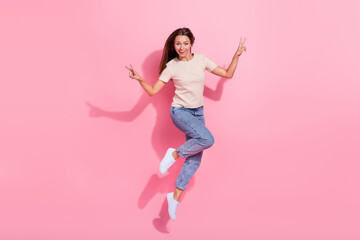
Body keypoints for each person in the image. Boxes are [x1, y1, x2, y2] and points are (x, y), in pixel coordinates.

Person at [126, 27, 246, 221]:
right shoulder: (172, 66)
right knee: (207, 139)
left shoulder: (201, 60)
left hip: (198, 113)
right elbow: (153, 91)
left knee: (194, 160)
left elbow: (227, 74)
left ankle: (174, 198)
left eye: (185, 43)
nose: (181, 47)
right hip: (180, 112)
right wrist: (140, 79)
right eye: (178, 44)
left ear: (191, 44)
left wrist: (237, 55)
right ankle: (174, 154)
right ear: (174, 46)